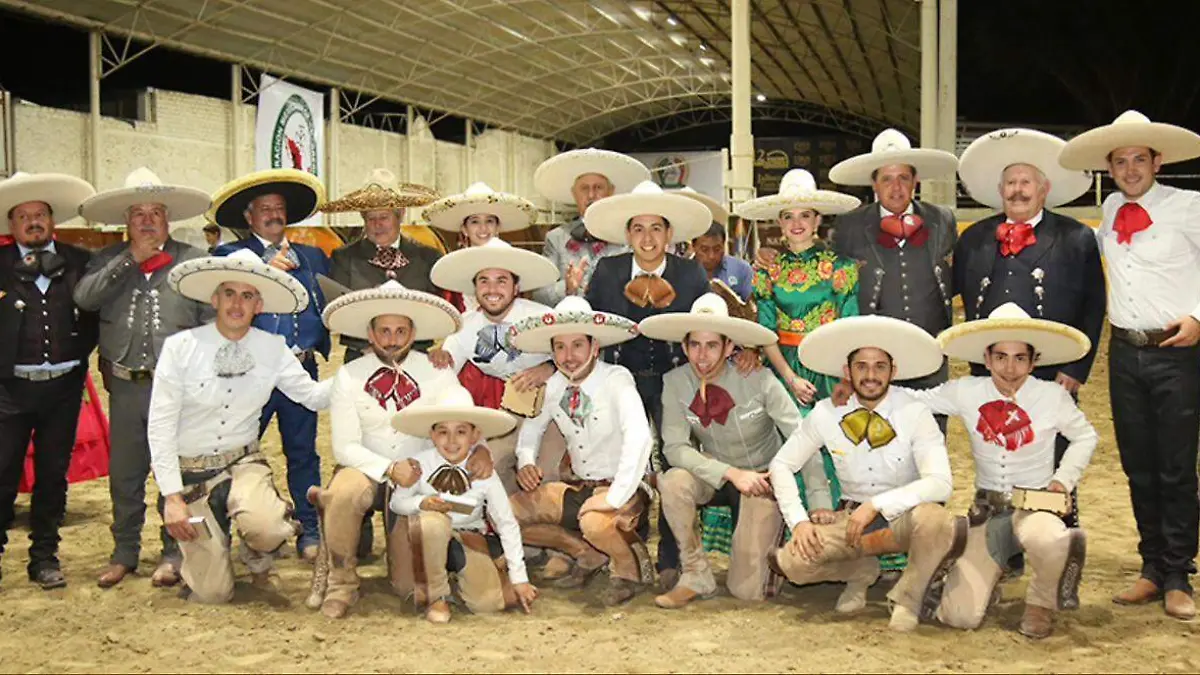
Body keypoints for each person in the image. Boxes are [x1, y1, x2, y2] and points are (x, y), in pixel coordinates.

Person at [1059, 110, 1200, 619]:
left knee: (1177, 466)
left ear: (1157, 161)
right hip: (1125, 352)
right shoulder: (1113, 208)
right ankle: (1151, 568)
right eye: (1121, 161)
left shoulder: (1189, 206)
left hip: (1177, 351)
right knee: (1138, 465)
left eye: (1140, 158)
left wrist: (1199, 316)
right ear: (1110, 168)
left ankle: (1180, 572)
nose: (1131, 168)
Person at [148, 250, 331, 603]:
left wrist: (363, 371)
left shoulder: (273, 348)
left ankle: (257, 550)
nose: (237, 304)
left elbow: (312, 396)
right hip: (191, 474)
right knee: (213, 594)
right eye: (229, 293)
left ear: (258, 305)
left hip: (241, 464)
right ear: (215, 299)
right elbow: (161, 425)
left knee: (271, 529)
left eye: (247, 295)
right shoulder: (180, 348)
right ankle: (203, 541)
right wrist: (172, 497)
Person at [768, 315, 966, 632]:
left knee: (936, 520)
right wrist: (799, 521)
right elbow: (781, 464)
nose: (870, 375)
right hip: (850, 523)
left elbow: (941, 484)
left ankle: (908, 600)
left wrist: (876, 505)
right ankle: (859, 570)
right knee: (792, 563)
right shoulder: (826, 412)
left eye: (879, 367)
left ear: (894, 371)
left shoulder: (914, 412)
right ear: (847, 371)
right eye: (861, 366)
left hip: (904, 517)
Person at [911, 303, 1095, 639]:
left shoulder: (1051, 396)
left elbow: (1085, 436)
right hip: (987, 511)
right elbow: (915, 400)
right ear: (987, 357)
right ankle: (989, 576)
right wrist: (867, 388)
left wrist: (1062, 480)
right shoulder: (966, 391)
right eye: (1001, 357)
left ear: (1033, 360)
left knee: (1051, 539)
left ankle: (1041, 603)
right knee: (958, 616)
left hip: (1036, 506)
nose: (1010, 368)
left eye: (1020, 358)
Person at [640, 293, 831, 607]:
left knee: (746, 592)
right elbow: (674, 448)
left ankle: (773, 551)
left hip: (761, 480)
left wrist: (819, 499)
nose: (702, 356)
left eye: (712, 345)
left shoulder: (759, 378)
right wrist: (729, 473)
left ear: (730, 347)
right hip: (716, 472)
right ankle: (695, 572)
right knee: (672, 480)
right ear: (684, 346)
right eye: (695, 345)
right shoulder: (675, 382)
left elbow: (802, 437)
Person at [74, 167, 214, 589]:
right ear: (126, 221)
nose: (148, 220)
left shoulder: (193, 261)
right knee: (126, 474)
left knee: (177, 471)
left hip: (177, 388)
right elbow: (85, 297)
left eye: (156, 212)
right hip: (126, 384)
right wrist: (130, 260)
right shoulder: (106, 260)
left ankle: (174, 553)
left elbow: (209, 320)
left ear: (168, 218)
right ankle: (124, 553)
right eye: (138, 213)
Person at [304, 279, 474, 619]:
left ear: (413, 333)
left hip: (417, 472)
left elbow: (461, 410)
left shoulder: (435, 370)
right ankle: (342, 584)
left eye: (400, 331)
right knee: (342, 493)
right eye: (383, 331)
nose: (391, 339)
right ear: (370, 334)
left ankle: (415, 569)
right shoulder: (349, 376)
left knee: (406, 588)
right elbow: (344, 446)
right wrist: (386, 468)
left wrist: (471, 443)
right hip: (365, 466)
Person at [582, 179, 712, 588]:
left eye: (656, 228)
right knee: (626, 461)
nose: (648, 237)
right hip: (621, 378)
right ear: (627, 234)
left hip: (675, 380)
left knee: (674, 463)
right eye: (638, 229)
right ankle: (628, 547)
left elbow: (710, 324)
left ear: (670, 234)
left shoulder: (690, 273)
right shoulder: (607, 271)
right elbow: (590, 326)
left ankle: (673, 556)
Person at [210, 168, 329, 560]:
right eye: (264, 209)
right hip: (249, 372)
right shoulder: (228, 256)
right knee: (236, 451)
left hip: (302, 367)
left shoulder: (313, 257)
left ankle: (309, 530)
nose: (273, 214)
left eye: (279, 208)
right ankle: (230, 530)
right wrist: (263, 271)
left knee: (303, 452)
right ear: (249, 217)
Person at [507, 297, 655, 606]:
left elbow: (640, 438)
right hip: (581, 486)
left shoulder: (617, 380)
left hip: (624, 486)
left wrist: (615, 497)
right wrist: (525, 461)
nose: (569, 356)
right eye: (560, 347)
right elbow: (531, 430)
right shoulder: (554, 387)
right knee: (503, 514)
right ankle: (583, 553)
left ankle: (630, 571)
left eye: (577, 345)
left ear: (594, 347)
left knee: (594, 522)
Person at [0, 171, 98, 590]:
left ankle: (44, 557)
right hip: (9, 389)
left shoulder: (80, 261)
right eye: (24, 215)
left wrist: (80, 358)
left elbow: (94, 318)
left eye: (40, 214)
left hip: (62, 387)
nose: (33, 221)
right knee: (1, 473)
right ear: (12, 225)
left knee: (53, 474)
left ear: (52, 220)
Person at [825, 128, 959, 396]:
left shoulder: (942, 219)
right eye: (886, 179)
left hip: (930, 350)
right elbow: (827, 274)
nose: (896, 188)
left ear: (915, 180)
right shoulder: (849, 225)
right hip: (873, 357)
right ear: (874, 183)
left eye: (903, 178)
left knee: (931, 430)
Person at [390, 385, 538, 623]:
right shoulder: (419, 463)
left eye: (460, 432)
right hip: (427, 536)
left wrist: (519, 577)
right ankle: (437, 596)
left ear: (474, 436)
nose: (451, 441)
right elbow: (397, 503)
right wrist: (422, 503)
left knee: (489, 604)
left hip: (468, 537)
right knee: (433, 524)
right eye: (442, 432)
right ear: (432, 435)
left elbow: (506, 522)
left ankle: (464, 576)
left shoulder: (483, 471)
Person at [427, 237, 565, 494]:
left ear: (516, 287)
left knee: (545, 476)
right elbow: (443, 375)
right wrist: (439, 360)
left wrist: (549, 367)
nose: (492, 289)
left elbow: (580, 355)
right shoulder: (464, 326)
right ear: (475, 288)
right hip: (511, 412)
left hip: (553, 410)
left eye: (501, 281)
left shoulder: (541, 317)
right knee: (491, 471)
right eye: (484, 281)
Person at [320, 168, 445, 360]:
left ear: (400, 215)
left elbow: (436, 312)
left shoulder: (428, 257)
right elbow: (337, 312)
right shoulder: (344, 257)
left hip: (415, 358)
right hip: (361, 357)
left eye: (384, 217)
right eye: (371, 218)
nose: (377, 224)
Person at [531, 148, 649, 306]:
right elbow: (539, 295)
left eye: (598, 187)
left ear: (611, 192)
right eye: (584, 188)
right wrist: (566, 287)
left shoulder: (627, 236)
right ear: (574, 193)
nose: (591, 195)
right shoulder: (557, 238)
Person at [424, 181, 539, 312]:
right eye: (475, 222)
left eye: (489, 221)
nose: (483, 228)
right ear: (464, 229)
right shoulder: (453, 268)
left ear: (497, 227)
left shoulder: (514, 263)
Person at [682, 186, 753, 302]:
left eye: (717, 249)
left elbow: (752, 308)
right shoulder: (681, 272)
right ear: (693, 246)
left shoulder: (741, 270)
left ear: (724, 244)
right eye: (704, 249)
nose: (711, 256)